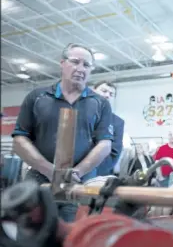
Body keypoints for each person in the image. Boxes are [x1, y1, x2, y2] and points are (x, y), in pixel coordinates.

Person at [11, 43, 113, 222]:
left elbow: (104, 144)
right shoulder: (37, 97)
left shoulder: (100, 103)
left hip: (80, 184)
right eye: (75, 62)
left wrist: (78, 172)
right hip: (38, 180)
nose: (81, 68)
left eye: (86, 65)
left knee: (71, 239)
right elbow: (20, 139)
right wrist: (48, 169)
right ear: (62, 63)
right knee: (31, 235)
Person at [93, 80, 125, 176]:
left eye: (111, 94)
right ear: (93, 91)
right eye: (104, 91)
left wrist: (88, 171)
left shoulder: (118, 122)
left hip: (99, 174)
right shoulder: (79, 114)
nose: (107, 95)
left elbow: (114, 154)